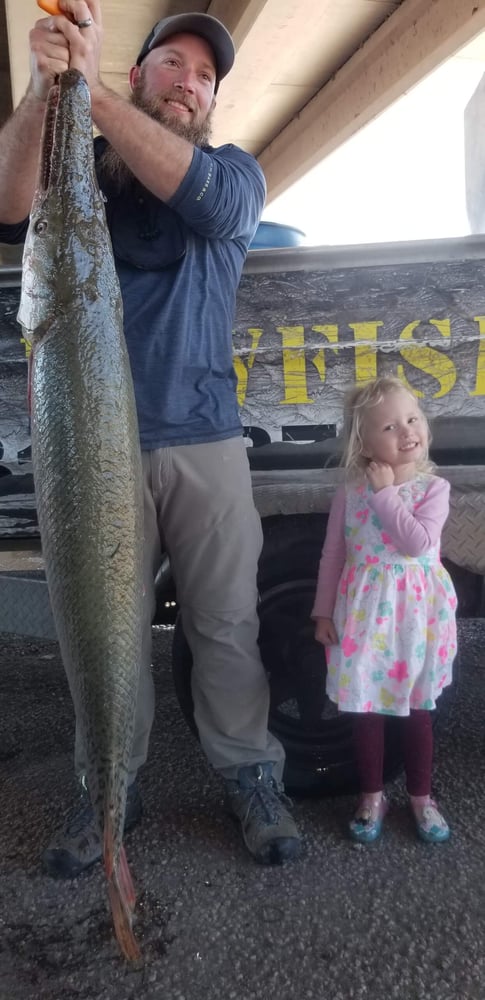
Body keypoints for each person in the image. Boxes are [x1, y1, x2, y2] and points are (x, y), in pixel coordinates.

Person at [0, 2, 301, 872]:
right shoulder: (83, 175)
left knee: (226, 626)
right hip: (87, 450)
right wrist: (43, 88)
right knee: (102, 631)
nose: (189, 82)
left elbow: (206, 202)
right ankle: (108, 785)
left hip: (205, 440)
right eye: (173, 64)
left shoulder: (234, 174)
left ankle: (249, 776)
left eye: (204, 77)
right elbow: (11, 200)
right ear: (139, 75)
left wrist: (87, 94)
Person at [312, 374, 457, 844]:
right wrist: (323, 612)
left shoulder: (434, 489)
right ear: (365, 443)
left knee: (418, 707)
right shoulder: (350, 493)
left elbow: (415, 544)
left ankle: (421, 797)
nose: (407, 430)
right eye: (390, 427)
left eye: (412, 418)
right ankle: (371, 794)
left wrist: (385, 493)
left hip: (417, 617)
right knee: (365, 708)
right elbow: (334, 554)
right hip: (364, 617)